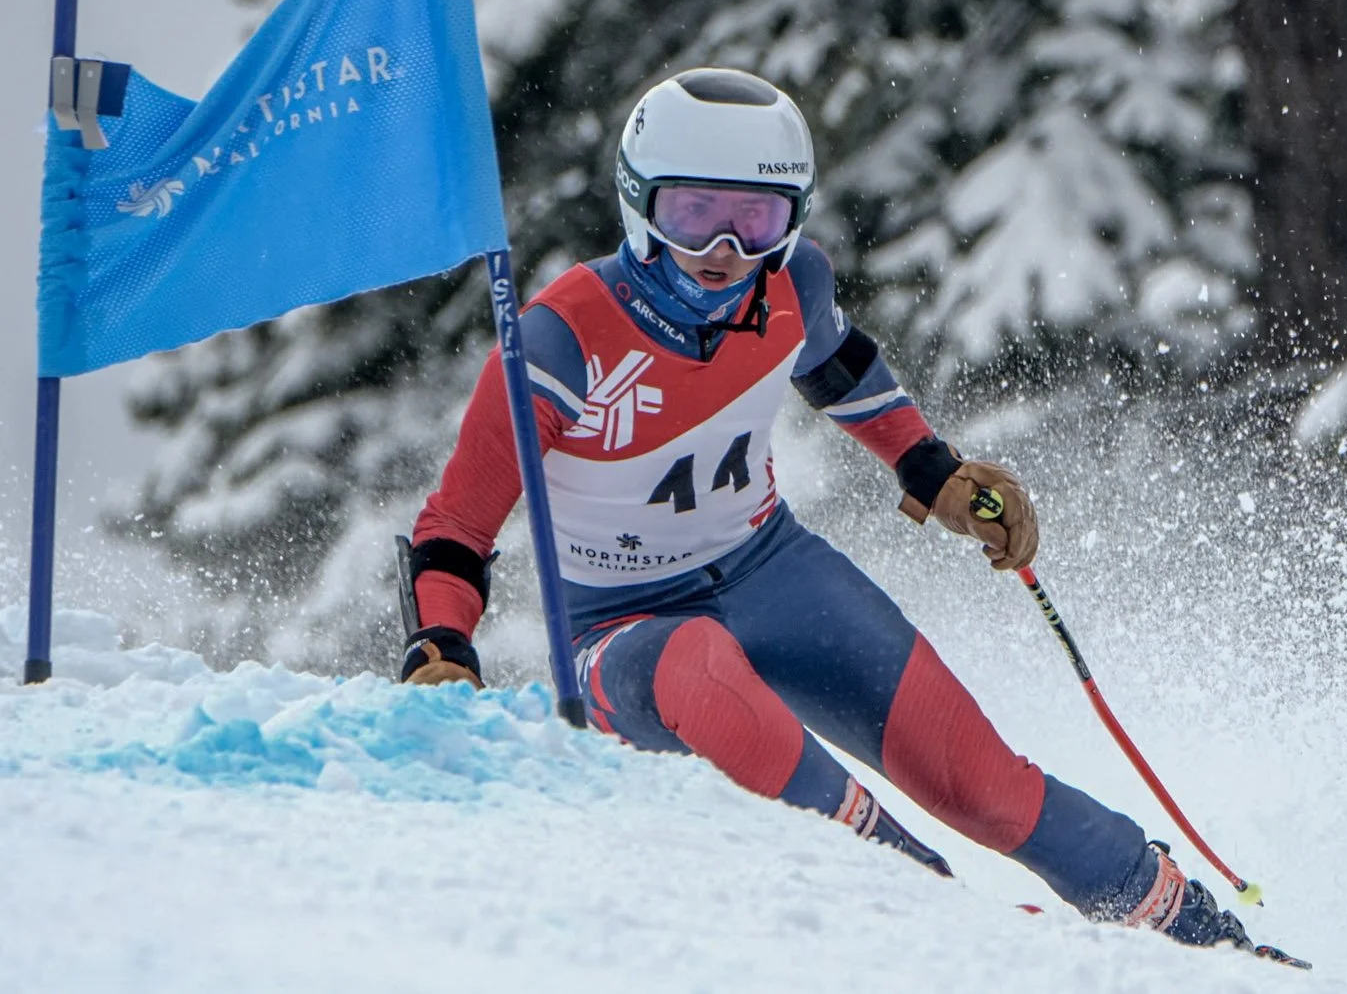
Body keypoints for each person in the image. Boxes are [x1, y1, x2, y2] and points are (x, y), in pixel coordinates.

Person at [400, 67, 1292, 961]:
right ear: (640, 205)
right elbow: (456, 527)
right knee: (697, 661)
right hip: (619, 628)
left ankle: (1212, 945)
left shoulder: (790, 284)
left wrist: (933, 471)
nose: (723, 248)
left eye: (758, 219)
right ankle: (944, 922)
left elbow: (840, 369)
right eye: (692, 213)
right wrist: (443, 649)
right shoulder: (561, 337)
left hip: (768, 570)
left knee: (981, 783)